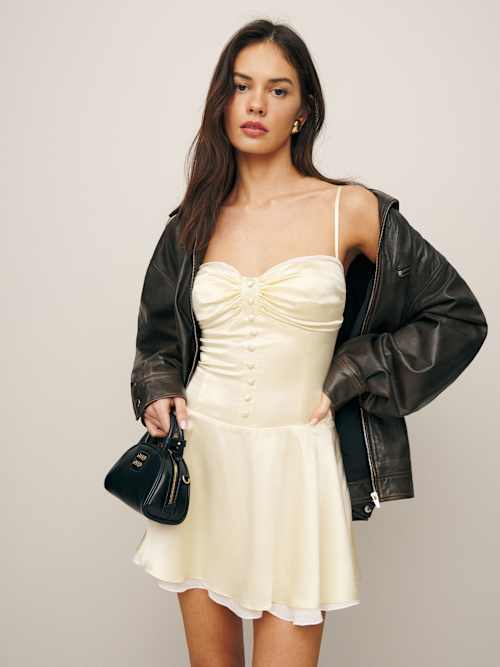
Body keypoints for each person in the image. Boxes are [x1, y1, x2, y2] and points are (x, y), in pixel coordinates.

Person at [129, 19, 488, 667]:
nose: (256, 104)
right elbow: (158, 340)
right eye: (241, 86)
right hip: (206, 457)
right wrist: (158, 391)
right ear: (222, 102)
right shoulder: (194, 221)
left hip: (299, 464)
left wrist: (358, 366)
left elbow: (457, 315)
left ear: (303, 111)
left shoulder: (350, 208)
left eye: (278, 90)